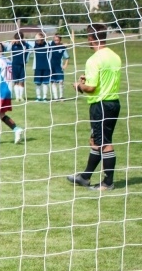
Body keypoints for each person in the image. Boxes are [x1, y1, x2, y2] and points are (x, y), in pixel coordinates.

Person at [68, 24, 121, 192]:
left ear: (91, 38)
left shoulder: (94, 59)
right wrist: (87, 79)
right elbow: (100, 80)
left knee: (105, 143)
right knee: (95, 140)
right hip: (113, 103)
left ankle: (108, 182)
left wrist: (79, 85)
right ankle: (85, 177)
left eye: (88, 38)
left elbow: (90, 88)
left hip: (101, 104)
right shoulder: (115, 56)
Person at [0, 44, 23, 146]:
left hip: (0, 91)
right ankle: (16, 129)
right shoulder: (8, 60)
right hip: (8, 91)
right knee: (1, 114)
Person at [9, 32, 31, 102]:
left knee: (21, 81)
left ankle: (21, 96)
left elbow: (31, 49)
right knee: (15, 81)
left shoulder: (25, 45)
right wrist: (11, 43)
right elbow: (7, 49)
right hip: (14, 65)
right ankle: (17, 97)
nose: (17, 40)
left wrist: (26, 60)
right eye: (16, 39)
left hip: (22, 65)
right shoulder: (13, 45)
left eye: (19, 39)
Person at [49, 34, 70, 101]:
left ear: (60, 40)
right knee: (53, 81)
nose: (56, 41)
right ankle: (55, 97)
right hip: (51, 66)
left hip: (59, 66)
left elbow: (67, 57)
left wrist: (65, 64)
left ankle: (61, 96)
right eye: (55, 40)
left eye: (57, 40)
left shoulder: (62, 47)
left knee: (61, 81)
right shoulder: (51, 45)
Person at [32, 33, 51, 101]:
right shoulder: (34, 44)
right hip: (37, 67)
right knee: (38, 83)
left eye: (38, 39)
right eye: (36, 39)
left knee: (45, 83)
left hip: (46, 67)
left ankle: (45, 97)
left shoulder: (47, 44)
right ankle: (38, 97)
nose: (37, 40)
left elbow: (55, 43)